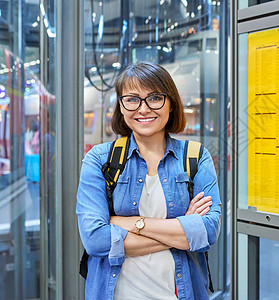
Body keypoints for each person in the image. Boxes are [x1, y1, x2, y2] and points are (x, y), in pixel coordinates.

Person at [76, 61, 221, 300]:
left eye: (154, 98)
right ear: (121, 107)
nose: (143, 109)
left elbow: (207, 232)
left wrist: (130, 222)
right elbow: (95, 240)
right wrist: (183, 231)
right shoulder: (100, 160)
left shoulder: (195, 157)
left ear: (171, 103)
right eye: (132, 99)